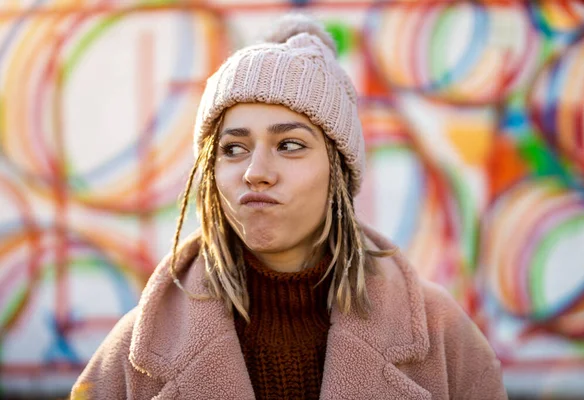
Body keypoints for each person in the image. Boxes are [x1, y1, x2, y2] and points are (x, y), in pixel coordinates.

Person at [71, 14, 507, 400]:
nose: (256, 171)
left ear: (338, 170)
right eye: (234, 148)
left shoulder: (441, 332)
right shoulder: (135, 350)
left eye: (290, 145)